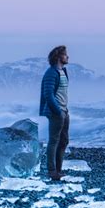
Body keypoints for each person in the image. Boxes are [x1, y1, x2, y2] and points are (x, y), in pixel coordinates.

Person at [39, 45, 70, 179]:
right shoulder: (51, 73)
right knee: (54, 141)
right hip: (56, 112)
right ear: (58, 57)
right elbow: (48, 94)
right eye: (65, 54)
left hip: (64, 110)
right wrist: (58, 111)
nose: (67, 56)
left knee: (64, 141)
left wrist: (64, 111)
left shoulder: (63, 71)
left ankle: (59, 169)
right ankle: (52, 171)